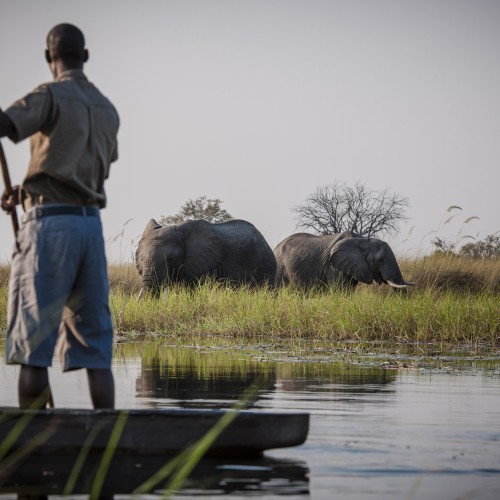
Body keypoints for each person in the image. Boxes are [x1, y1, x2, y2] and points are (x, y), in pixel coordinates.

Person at [0, 23, 119, 409]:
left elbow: (4, 124)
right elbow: (81, 168)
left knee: (33, 348)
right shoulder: (107, 109)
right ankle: (107, 440)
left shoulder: (50, 94)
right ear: (84, 56)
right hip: (89, 227)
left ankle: (30, 451)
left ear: (48, 58)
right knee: (96, 352)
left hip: (50, 228)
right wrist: (23, 192)